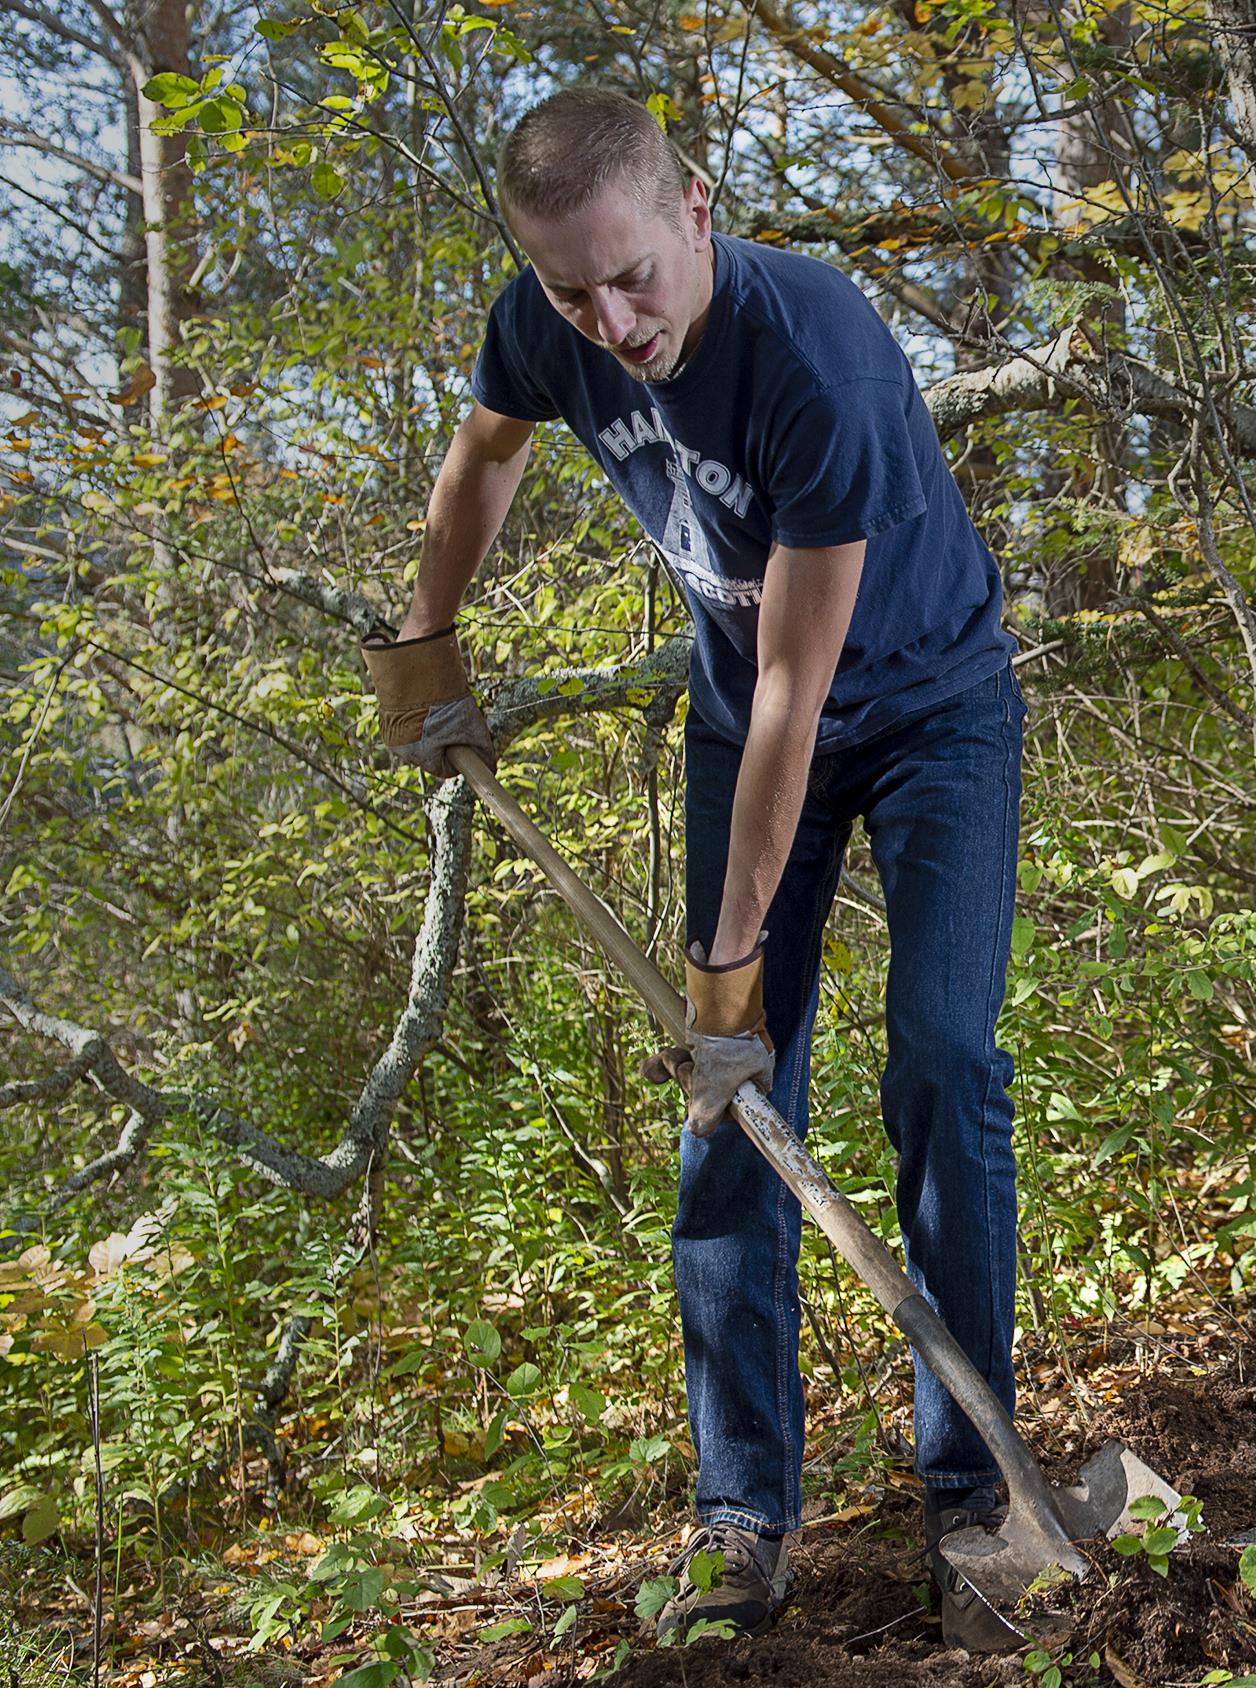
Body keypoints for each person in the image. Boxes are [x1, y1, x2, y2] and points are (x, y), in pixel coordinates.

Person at [359, 85, 1028, 1642]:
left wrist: (727, 974)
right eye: (571, 288)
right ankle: (743, 1513)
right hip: (745, 718)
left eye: (633, 275)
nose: (611, 318)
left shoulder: (818, 359)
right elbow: (485, 462)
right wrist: (425, 636)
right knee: (730, 1109)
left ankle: (977, 1490)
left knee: (941, 1057)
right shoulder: (551, 318)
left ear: (698, 207)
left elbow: (808, 699)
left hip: (931, 709)